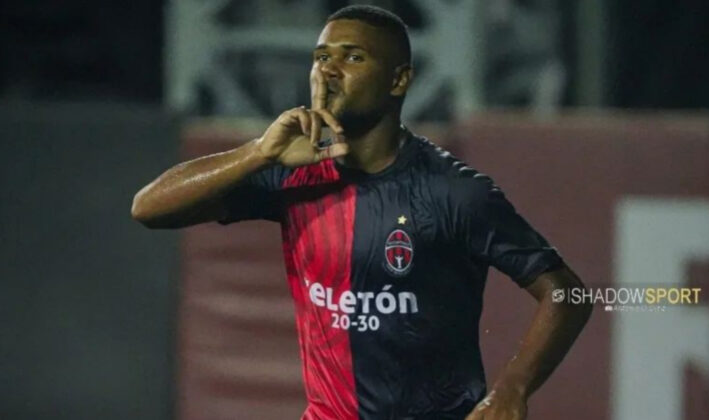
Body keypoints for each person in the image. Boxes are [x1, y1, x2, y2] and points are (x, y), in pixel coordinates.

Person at [132, 5, 592, 420]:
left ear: (398, 80)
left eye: (352, 57)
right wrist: (257, 153)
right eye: (321, 57)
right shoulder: (291, 174)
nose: (328, 70)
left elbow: (567, 293)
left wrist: (512, 389)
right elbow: (149, 208)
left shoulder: (454, 193)